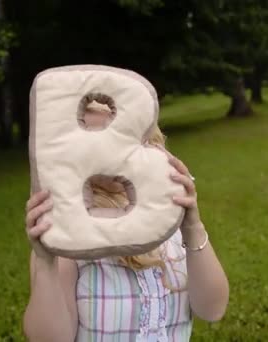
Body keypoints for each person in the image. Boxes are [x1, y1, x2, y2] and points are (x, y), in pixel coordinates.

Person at [23, 103, 229, 341]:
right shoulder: (69, 232)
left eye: (123, 135)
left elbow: (212, 309)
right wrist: (46, 263)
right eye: (95, 143)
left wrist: (193, 227)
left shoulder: (171, 220)